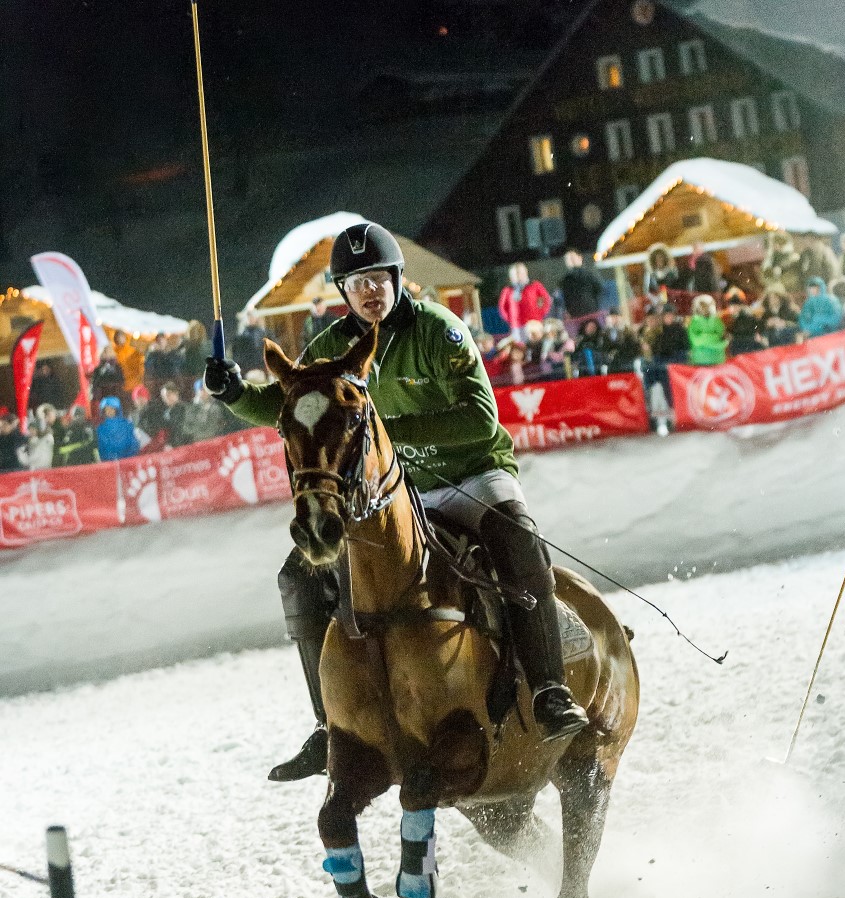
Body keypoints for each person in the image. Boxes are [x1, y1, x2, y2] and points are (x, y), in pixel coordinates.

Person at [205, 219, 590, 779]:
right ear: (343, 291)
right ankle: (327, 727)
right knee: (301, 576)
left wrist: (389, 436)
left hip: (473, 477)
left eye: (377, 277)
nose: (368, 290)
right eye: (355, 281)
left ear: (396, 277)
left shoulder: (439, 330)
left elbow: (482, 422)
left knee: (519, 543)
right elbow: (287, 405)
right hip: (396, 496)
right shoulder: (333, 346)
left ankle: (550, 692)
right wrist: (234, 392)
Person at [498, 262, 551, 340]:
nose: (518, 275)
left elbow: (546, 300)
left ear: (525, 272)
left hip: (534, 323)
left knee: (536, 345)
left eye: (520, 273)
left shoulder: (535, 285)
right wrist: (511, 319)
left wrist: (540, 314)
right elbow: (502, 308)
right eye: (515, 273)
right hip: (517, 326)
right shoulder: (508, 290)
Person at [183, 378, 236, 443]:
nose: (205, 392)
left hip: (215, 440)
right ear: (197, 392)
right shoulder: (191, 408)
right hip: (199, 441)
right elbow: (188, 427)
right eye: (202, 389)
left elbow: (221, 423)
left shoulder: (217, 405)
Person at [557, 250, 602, 318]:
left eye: (572, 258)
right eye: (568, 259)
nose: (571, 261)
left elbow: (599, 289)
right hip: (575, 315)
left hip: (591, 312)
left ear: (580, 258)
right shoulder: (566, 280)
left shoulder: (589, 273)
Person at [687, 295, 727, 365]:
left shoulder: (694, 322)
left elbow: (694, 340)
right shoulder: (717, 321)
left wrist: (704, 339)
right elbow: (721, 336)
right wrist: (714, 338)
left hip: (699, 358)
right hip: (717, 357)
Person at [760, 232, 801, 296]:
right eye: (775, 243)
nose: (776, 246)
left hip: (789, 293)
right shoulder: (771, 259)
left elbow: (792, 279)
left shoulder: (793, 258)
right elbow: (764, 279)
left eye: (779, 243)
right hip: (773, 293)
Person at [176, 320, 211, 390]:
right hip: (188, 377)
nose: (195, 333)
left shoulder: (207, 345)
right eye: (194, 331)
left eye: (198, 331)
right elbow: (180, 362)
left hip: (201, 376)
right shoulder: (185, 346)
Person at [232, 310, 268, 374]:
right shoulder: (242, 334)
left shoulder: (262, 332)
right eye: (249, 317)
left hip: (260, 365)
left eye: (252, 317)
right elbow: (237, 350)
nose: (251, 319)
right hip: (246, 366)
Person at [91, 344, 125, 410]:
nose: (107, 355)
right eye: (105, 352)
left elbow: (121, 381)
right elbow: (95, 383)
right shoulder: (97, 369)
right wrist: (102, 372)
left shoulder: (117, 367)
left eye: (109, 352)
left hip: (116, 396)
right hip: (103, 397)